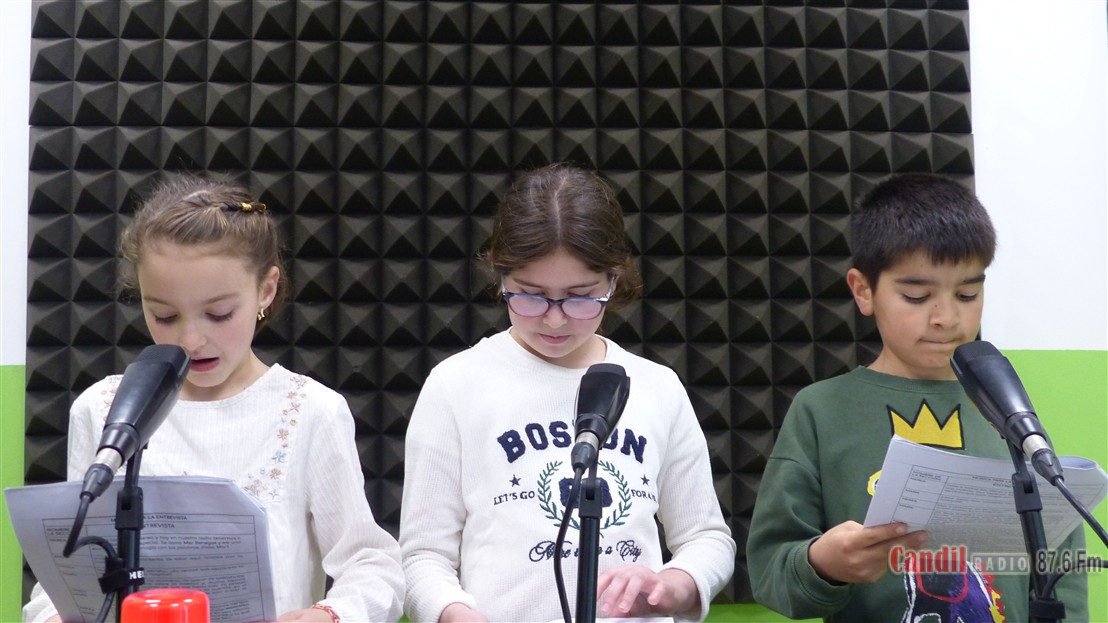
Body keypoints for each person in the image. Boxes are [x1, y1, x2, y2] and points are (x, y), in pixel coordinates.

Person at [23, 174, 404, 623]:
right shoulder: (104, 408)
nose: (190, 339)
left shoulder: (310, 411)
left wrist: (329, 614)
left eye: (219, 313)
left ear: (266, 290)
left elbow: (372, 565)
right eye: (164, 315)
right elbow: (65, 576)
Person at [399, 163, 735, 623]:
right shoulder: (456, 385)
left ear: (614, 280)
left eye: (580, 297)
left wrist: (672, 587)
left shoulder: (657, 387)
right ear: (500, 275)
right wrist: (455, 614)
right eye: (530, 295)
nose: (554, 319)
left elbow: (707, 538)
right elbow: (421, 558)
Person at [746, 173, 1089, 621]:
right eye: (916, 296)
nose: (947, 317)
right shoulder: (821, 412)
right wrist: (823, 564)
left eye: (968, 293)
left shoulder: (1008, 406)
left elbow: (1061, 570)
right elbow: (771, 571)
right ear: (863, 290)